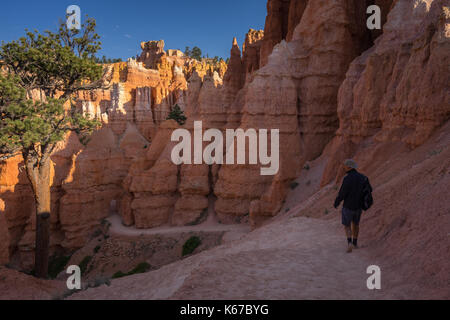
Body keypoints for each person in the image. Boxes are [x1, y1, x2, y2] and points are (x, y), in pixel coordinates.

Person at [334, 159, 371, 253]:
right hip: (359, 206)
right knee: (356, 224)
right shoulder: (363, 178)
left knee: (347, 225)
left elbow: (342, 192)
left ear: (350, 167)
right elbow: (369, 190)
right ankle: (355, 243)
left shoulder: (347, 179)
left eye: (346, 166)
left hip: (348, 206)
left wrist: (337, 202)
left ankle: (349, 242)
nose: (344, 168)